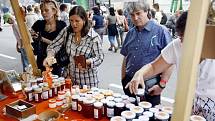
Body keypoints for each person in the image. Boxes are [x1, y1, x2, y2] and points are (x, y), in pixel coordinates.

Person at [126, 11, 215, 120]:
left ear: (203, 35)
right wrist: (140, 73)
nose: (184, 44)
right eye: (181, 38)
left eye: (188, 39)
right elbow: (154, 66)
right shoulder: (177, 45)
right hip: (187, 111)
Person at [120, 1, 172, 106]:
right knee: (130, 113)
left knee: (150, 115)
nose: (135, 18)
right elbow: (126, 57)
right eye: (132, 15)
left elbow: (170, 61)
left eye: (138, 13)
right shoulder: (130, 33)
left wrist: (162, 85)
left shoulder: (161, 31)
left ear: (147, 12)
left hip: (150, 84)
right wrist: (123, 78)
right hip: (129, 83)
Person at [44, 6, 104, 88]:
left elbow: (99, 57)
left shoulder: (93, 37)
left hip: (87, 82)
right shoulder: (67, 31)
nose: (74, 24)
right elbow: (53, 45)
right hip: (69, 79)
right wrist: (49, 56)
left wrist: (88, 62)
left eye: (77, 21)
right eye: (71, 21)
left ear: (84, 20)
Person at [31, 0, 67, 76]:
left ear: (54, 11)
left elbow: (61, 45)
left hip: (56, 60)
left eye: (46, 10)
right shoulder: (39, 23)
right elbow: (28, 33)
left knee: (55, 84)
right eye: (42, 11)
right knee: (41, 83)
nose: (43, 13)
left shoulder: (62, 25)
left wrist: (42, 39)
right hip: (41, 59)